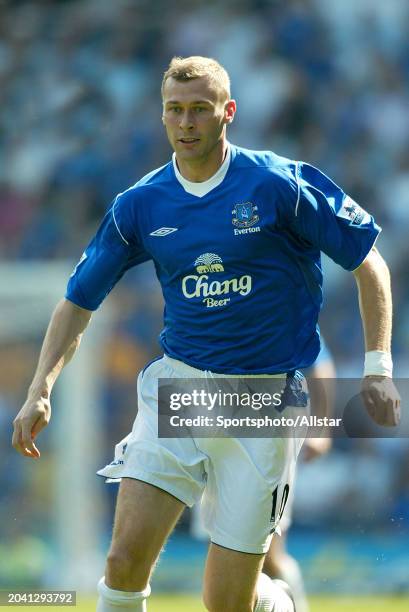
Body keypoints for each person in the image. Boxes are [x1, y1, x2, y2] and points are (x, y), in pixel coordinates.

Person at [12, 56, 400, 612]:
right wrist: (40, 387)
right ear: (162, 116)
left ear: (228, 113)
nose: (186, 122)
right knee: (121, 566)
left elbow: (370, 265)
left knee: (227, 604)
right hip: (181, 394)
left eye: (199, 109)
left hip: (263, 405)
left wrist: (379, 369)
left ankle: (277, 603)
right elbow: (77, 301)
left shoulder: (279, 185)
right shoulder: (139, 205)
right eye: (175, 110)